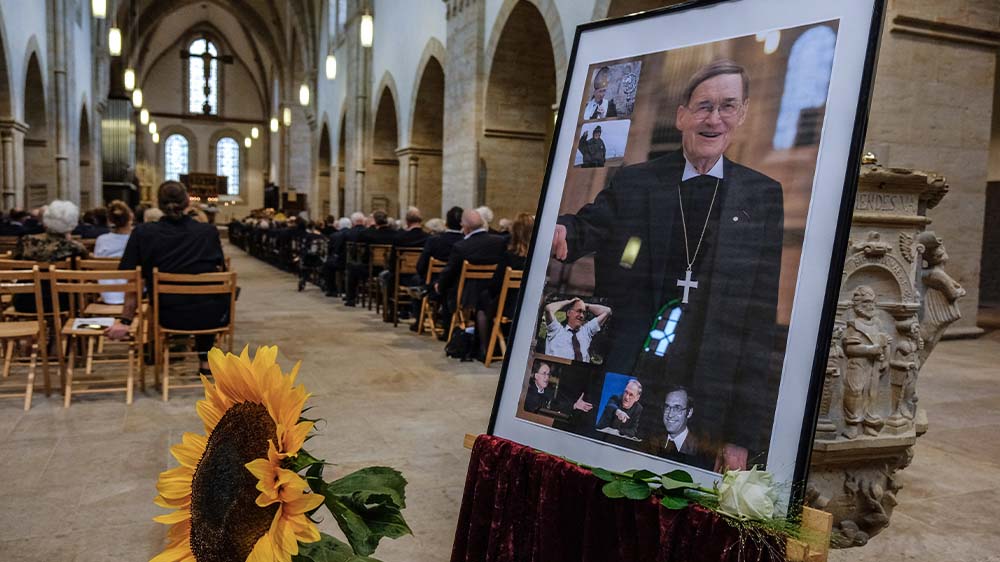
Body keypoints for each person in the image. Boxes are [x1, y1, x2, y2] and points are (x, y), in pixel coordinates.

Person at [551, 59, 783, 466]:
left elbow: (758, 325)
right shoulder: (635, 181)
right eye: (703, 106)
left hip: (703, 382)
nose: (714, 118)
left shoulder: (761, 196)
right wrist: (563, 230)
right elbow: (591, 226)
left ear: (742, 113)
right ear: (681, 116)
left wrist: (741, 436)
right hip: (631, 364)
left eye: (727, 106)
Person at [106, 182, 227, 376]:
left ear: (158, 204)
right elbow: (218, 271)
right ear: (187, 202)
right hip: (211, 317)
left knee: (192, 299)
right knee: (206, 294)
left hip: (167, 316)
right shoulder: (208, 232)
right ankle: (206, 361)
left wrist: (125, 320)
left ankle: (157, 355)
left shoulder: (143, 233)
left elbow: (134, 280)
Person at [12, 200, 90, 312]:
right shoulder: (75, 248)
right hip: (64, 302)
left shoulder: (26, 242)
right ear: (72, 224)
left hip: (26, 301)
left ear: (45, 220)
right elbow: (85, 275)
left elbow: (15, 268)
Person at [476, 213, 533, 358]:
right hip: (530, 307)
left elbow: (495, 286)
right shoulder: (538, 258)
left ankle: (486, 348)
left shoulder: (509, 256)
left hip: (509, 308)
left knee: (483, 303)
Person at [646, 386, 713, 468]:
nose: (670, 414)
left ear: (689, 413)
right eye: (667, 407)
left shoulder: (699, 449)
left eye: (677, 408)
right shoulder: (652, 442)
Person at [543, 297, 611, 363]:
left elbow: (607, 311)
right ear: (569, 313)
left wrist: (585, 305)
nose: (582, 315)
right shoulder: (556, 330)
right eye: (579, 311)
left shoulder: (586, 331)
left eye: (584, 312)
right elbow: (549, 308)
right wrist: (568, 302)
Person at [94, 200, 134, 305]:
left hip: (106, 294)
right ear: (130, 218)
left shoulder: (101, 240)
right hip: (132, 295)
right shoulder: (135, 239)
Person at [523, 359, 593, 417]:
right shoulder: (528, 393)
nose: (547, 377)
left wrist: (574, 405)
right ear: (536, 376)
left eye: (548, 374)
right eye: (544, 373)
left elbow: (557, 405)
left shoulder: (549, 392)